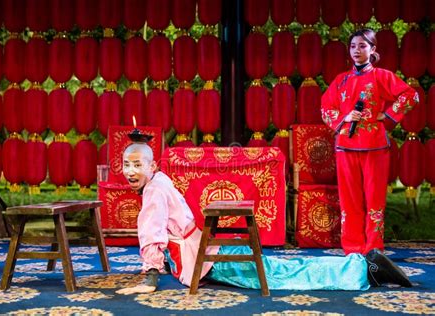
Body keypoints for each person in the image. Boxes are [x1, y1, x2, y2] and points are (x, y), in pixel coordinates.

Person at [116, 142, 412, 295]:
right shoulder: (159, 180)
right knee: (286, 268)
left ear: (152, 165)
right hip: (211, 249)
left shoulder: (153, 192)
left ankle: (364, 268)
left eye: (137, 164)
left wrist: (150, 276)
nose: (131, 171)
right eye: (126, 165)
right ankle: (362, 264)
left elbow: (151, 233)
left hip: (209, 256)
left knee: (285, 275)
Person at [321, 28, 419, 256]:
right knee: (350, 203)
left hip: (375, 146)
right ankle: (353, 250)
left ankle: (374, 249)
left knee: (375, 201)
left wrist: (386, 115)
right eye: (353, 46)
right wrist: (345, 117)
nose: (357, 50)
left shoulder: (382, 76)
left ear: (373, 50)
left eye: (362, 46)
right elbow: (326, 108)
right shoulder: (340, 80)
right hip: (345, 146)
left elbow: (410, 95)